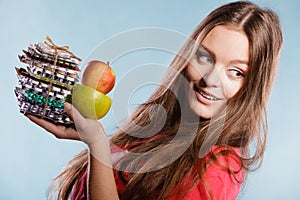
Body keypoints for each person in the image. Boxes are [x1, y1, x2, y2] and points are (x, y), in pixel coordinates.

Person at [26, 1, 283, 199]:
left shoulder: (219, 169)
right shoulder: (159, 128)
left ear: (251, 86)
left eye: (235, 72)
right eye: (205, 58)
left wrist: (97, 144)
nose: (210, 80)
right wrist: (89, 136)